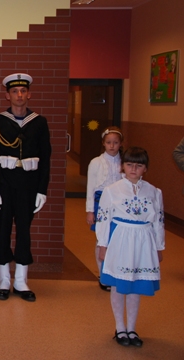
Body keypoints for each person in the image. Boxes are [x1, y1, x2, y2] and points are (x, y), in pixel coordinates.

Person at [0, 73, 51, 302]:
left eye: (23, 91)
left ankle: (21, 281)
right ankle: (3, 280)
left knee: (24, 231)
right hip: (5, 182)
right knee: (3, 230)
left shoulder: (39, 122)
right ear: (7, 95)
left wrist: (42, 190)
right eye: (14, 91)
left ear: (29, 94)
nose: (19, 95)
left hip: (29, 184)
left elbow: (46, 159)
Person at [96, 147, 164, 348]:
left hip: (143, 241)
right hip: (121, 240)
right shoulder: (112, 190)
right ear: (122, 166)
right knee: (119, 284)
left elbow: (158, 220)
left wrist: (159, 245)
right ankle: (120, 327)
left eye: (139, 165)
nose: (134, 169)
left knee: (135, 284)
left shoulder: (154, 192)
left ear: (145, 168)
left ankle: (132, 328)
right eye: (129, 164)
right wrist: (103, 244)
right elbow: (103, 219)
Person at [86, 127, 123, 291]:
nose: (112, 146)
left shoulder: (125, 161)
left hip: (119, 203)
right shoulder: (96, 162)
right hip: (100, 202)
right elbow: (90, 188)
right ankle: (103, 275)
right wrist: (90, 210)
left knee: (117, 238)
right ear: (103, 143)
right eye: (108, 142)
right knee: (102, 238)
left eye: (115, 143)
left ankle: (116, 272)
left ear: (120, 144)